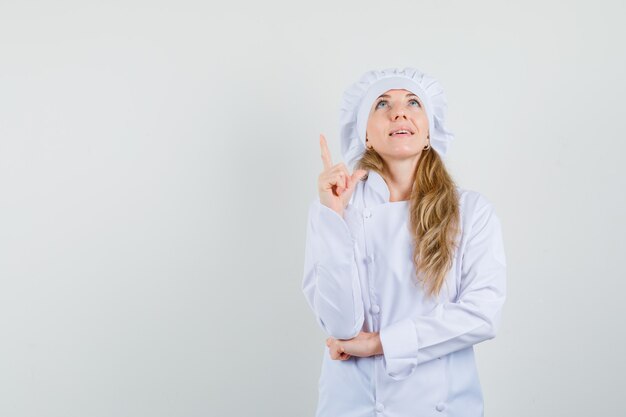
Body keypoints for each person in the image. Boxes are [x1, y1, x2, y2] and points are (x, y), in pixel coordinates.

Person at [301, 67, 507, 417]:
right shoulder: (335, 209)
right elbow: (339, 326)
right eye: (382, 104)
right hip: (353, 406)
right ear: (364, 134)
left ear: (429, 132)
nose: (399, 111)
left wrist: (381, 344)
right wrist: (334, 217)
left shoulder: (470, 211)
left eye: (413, 102)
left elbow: (482, 313)